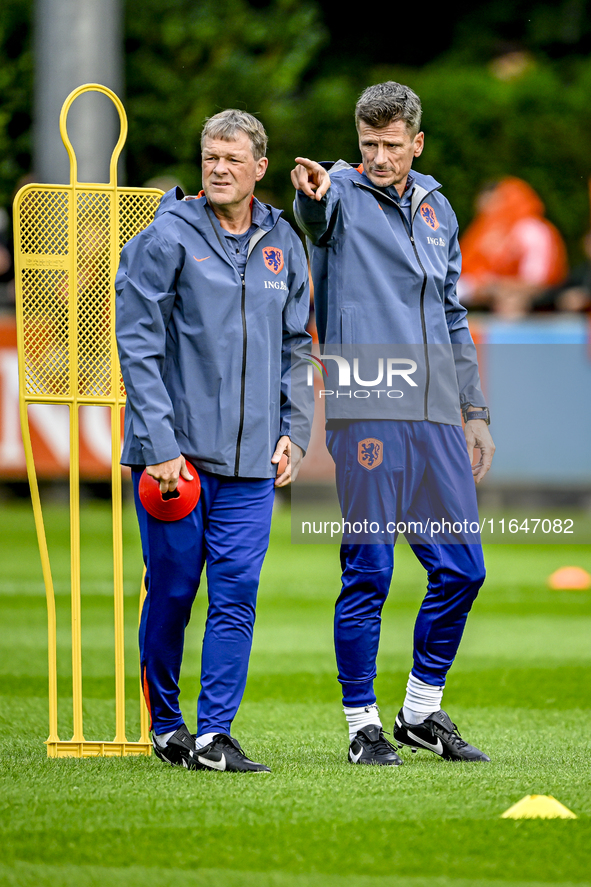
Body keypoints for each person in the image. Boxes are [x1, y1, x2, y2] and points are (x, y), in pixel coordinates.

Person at [291, 81, 495, 766]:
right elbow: (313, 212)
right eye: (367, 144)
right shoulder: (339, 192)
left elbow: (453, 312)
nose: (377, 157)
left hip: (436, 406)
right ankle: (361, 725)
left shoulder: (436, 206)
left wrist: (474, 411)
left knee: (463, 568)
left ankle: (418, 711)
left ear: (416, 141)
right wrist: (310, 192)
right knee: (370, 568)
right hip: (368, 402)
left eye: (389, 144)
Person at [116, 109, 313, 773]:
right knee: (172, 591)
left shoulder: (282, 240)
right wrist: (158, 442)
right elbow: (136, 343)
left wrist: (295, 430)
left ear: (259, 166)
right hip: (174, 460)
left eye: (232, 158)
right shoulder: (164, 237)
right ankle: (167, 723)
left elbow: (296, 346)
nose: (219, 168)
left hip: (254, 461)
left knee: (236, 592)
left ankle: (214, 734)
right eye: (210, 157)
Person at [458, 177, 568, 317]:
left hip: (538, 296)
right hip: (494, 292)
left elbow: (536, 282)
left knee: (511, 303)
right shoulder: (486, 231)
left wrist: (494, 286)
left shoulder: (531, 229)